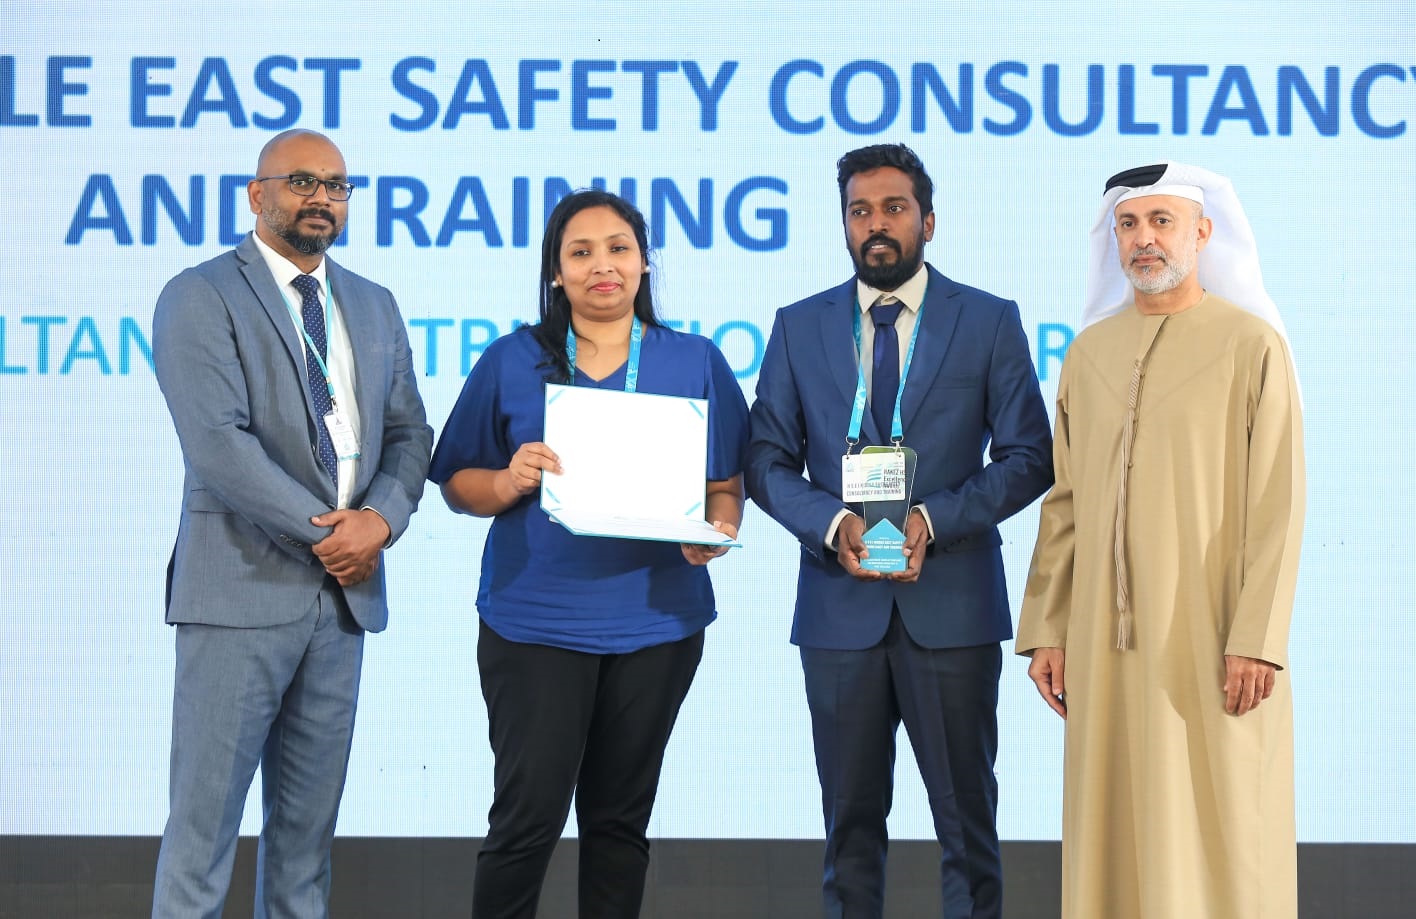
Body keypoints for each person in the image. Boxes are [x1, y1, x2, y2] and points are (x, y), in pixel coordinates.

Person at [746, 143, 1053, 919]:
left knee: (966, 829)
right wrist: (832, 522)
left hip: (951, 606)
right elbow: (765, 460)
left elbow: (1029, 456)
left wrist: (931, 518)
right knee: (848, 830)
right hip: (837, 608)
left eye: (894, 208)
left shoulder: (988, 320)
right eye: (860, 211)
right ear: (844, 223)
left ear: (929, 221)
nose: (876, 224)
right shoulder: (798, 326)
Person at [428, 188, 748, 919]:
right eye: (581, 252)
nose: (602, 265)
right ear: (556, 271)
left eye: (618, 249)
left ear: (643, 263)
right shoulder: (511, 359)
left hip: (657, 624)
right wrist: (508, 480)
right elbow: (455, 483)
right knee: (526, 821)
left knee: (618, 825)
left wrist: (716, 531)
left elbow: (726, 485)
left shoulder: (695, 359)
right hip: (534, 623)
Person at [150, 129, 432, 918]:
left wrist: (379, 521)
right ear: (257, 193)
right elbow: (218, 444)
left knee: (306, 846)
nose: (322, 198)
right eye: (302, 181)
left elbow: (410, 432)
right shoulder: (200, 294)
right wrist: (331, 535)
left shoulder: (373, 303)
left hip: (342, 604)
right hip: (239, 591)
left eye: (337, 186)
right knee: (203, 836)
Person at [1016, 162, 1305, 919]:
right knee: (1113, 833)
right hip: (1102, 644)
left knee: (1224, 827)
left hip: (1213, 634)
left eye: (1161, 222)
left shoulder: (1252, 345)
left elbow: (1278, 503)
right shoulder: (1089, 354)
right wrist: (1048, 627)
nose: (1143, 240)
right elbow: (1065, 501)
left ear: (1202, 233)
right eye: (1128, 225)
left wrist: (1257, 638)